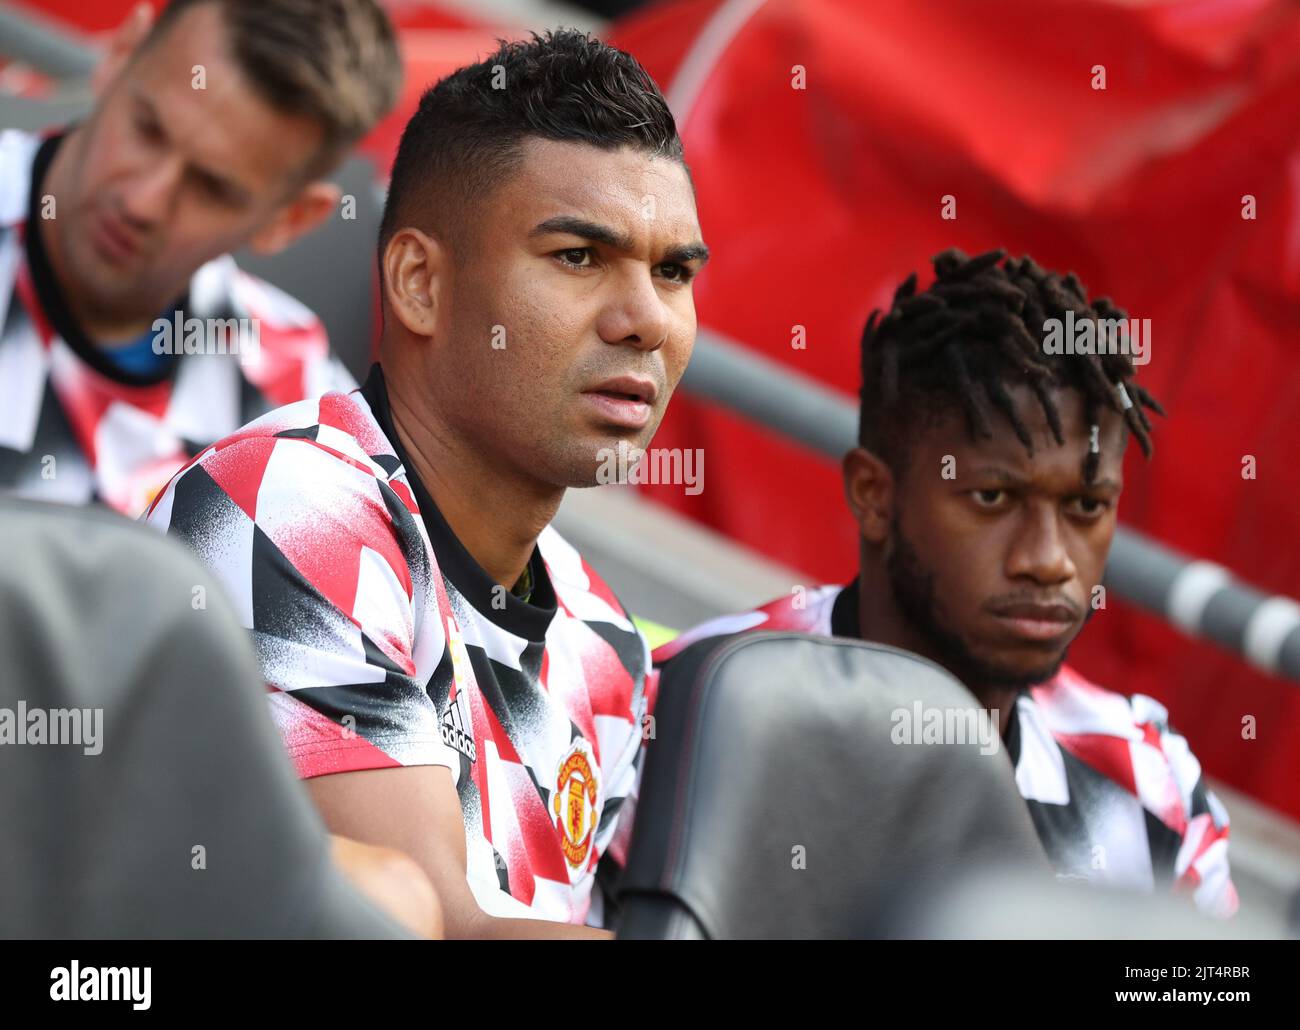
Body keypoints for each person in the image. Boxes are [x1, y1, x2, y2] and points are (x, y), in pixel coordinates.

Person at [145, 29, 708, 938]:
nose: (645, 318)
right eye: (578, 256)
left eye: (673, 271)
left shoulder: (606, 641)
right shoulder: (291, 504)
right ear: (418, 283)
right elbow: (431, 926)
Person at [656, 248, 1237, 918]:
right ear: (874, 494)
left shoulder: (1150, 787)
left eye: (1085, 507)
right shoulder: (693, 709)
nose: (1049, 561)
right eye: (992, 497)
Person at [0, 0, 401, 516]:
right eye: (147, 128)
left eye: (212, 187)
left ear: (291, 219)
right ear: (120, 55)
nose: (142, 201)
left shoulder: (296, 397)